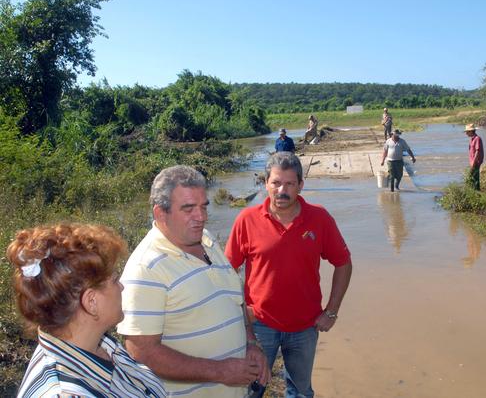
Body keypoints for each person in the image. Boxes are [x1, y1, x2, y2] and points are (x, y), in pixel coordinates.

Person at [117, 165, 270, 398]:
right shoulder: (146, 269)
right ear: (160, 213)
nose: (201, 217)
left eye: (203, 207)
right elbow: (142, 352)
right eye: (188, 209)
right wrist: (219, 371)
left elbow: (234, 302)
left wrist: (250, 344)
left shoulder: (206, 239)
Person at [225, 152, 352, 398]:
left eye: (290, 184)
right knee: (251, 391)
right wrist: (241, 315)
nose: (282, 190)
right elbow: (227, 273)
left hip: (305, 326)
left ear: (301, 186)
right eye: (276, 183)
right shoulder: (246, 220)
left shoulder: (319, 218)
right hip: (260, 325)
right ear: (265, 183)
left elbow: (343, 263)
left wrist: (332, 311)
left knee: (301, 391)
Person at [6, 223, 167, 398]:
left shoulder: (99, 346)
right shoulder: (65, 393)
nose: (121, 287)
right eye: (114, 280)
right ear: (92, 302)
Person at [464, 123, 484, 191]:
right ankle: (474, 192)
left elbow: (477, 152)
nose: (466, 133)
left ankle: (477, 193)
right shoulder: (472, 139)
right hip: (473, 162)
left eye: (467, 132)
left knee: (474, 179)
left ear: (471, 131)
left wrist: (473, 163)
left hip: (476, 162)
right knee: (472, 178)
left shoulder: (477, 138)